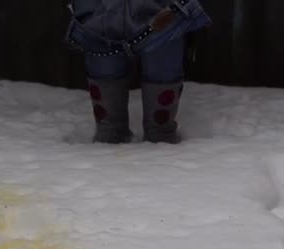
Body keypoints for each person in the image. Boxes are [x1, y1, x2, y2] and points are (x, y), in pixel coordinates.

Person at [66, 0, 211, 144]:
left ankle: (160, 132)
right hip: (101, 17)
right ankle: (110, 132)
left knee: (163, 64)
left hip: (164, 15)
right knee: (104, 65)